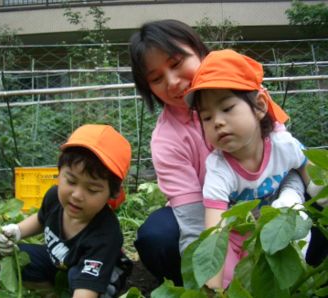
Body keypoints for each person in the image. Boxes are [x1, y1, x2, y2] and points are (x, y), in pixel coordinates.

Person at [129, 19, 306, 286]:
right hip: (217, 219)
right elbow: (193, 221)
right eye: (156, 79)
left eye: (177, 63)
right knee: (158, 235)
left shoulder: (246, 92)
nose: (173, 82)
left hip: (273, 203)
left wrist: (289, 201)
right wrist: (208, 280)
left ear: (200, 51)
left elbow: (289, 162)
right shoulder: (167, 140)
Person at [184, 49, 319, 289]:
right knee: (229, 275)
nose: (217, 121)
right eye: (206, 117)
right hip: (240, 234)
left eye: (227, 108)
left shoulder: (283, 145)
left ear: (259, 106)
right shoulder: (218, 169)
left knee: (294, 215)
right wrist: (213, 289)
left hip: (279, 220)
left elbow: (314, 178)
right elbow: (215, 232)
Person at [0, 124, 133, 298]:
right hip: (63, 265)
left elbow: (86, 291)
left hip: (99, 278)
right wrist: (17, 230)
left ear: (111, 195)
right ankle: (52, 294)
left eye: (92, 190)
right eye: (71, 181)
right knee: (19, 257)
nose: (77, 195)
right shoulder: (54, 197)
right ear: (59, 174)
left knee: (78, 276)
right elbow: (40, 219)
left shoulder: (105, 235)